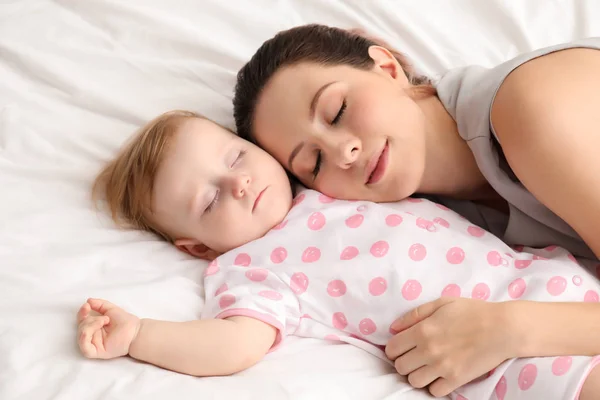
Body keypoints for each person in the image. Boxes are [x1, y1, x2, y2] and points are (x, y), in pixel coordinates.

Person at [82, 111, 600, 399]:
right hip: (514, 363)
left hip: (556, 282)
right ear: (196, 246)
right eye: (212, 198)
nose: (238, 183)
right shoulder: (250, 267)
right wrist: (141, 336)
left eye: (236, 156)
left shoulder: (327, 182)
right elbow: (233, 344)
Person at [231, 23, 600, 396]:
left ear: (387, 67)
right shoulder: (439, 227)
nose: (344, 152)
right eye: (314, 163)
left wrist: (509, 328)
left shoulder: (533, 107)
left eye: (337, 110)